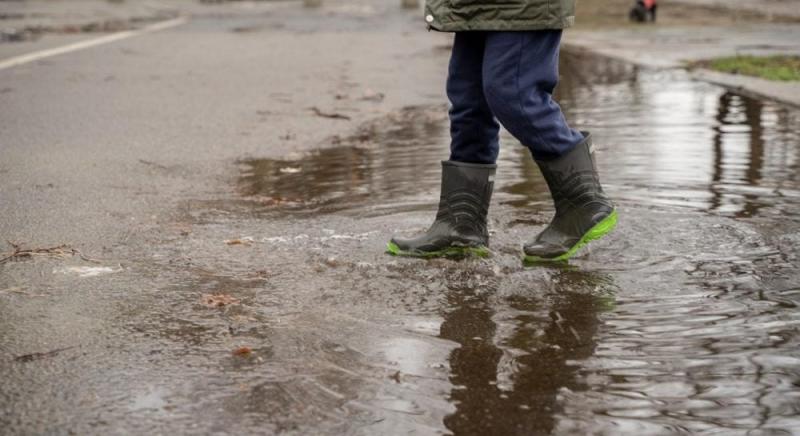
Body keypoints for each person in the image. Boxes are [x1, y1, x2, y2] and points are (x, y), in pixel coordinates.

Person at [386, 0, 617, 262]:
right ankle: (461, 224)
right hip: (471, 6)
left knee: (513, 94)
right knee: (468, 101)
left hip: (520, 6)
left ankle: (583, 201)